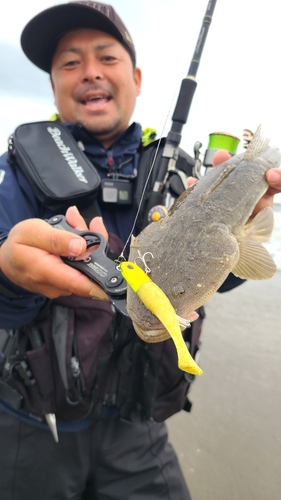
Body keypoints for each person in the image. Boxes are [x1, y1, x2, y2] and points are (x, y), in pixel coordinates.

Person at [0, 2, 280, 499]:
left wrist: (252, 215)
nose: (89, 72)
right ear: (52, 85)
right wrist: (7, 273)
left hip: (140, 420)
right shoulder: (18, 171)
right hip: (31, 420)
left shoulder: (186, 171)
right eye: (69, 62)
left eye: (106, 57)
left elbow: (228, 275)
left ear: (137, 76)